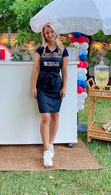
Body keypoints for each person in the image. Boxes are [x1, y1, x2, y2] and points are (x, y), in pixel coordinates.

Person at [32, 23, 68, 167]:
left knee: (55, 116)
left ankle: (51, 143)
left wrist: (64, 87)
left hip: (56, 87)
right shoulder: (40, 50)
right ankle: (46, 151)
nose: (49, 34)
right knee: (45, 117)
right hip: (42, 87)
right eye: (47, 33)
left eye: (51, 32)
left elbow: (64, 70)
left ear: (56, 33)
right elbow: (36, 69)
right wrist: (33, 86)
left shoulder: (63, 51)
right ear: (44, 35)